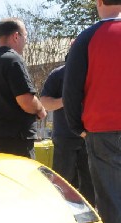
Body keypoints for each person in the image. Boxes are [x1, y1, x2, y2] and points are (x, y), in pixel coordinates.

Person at [63, 0, 121, 223]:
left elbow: (71, 88)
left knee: (111, 198)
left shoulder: (87, 38)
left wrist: (78, 126)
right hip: (104, 127)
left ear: (99, 2)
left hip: (103, 128)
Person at [0, 17, 47, 158]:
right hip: (15, 141)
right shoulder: (13, 60)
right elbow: (26, 102)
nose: (26, 41)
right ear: (16, 36)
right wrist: (40, 109)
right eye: (25, 36)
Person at [40, 59, 95, 205]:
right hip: (65, 138)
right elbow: (44, 102)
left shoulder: (93, 72)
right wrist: (67, 100)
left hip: (90, 136)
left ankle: (89, 217)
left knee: (90, 183)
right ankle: (59, 212)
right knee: (62, 181)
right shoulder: (58, 74)